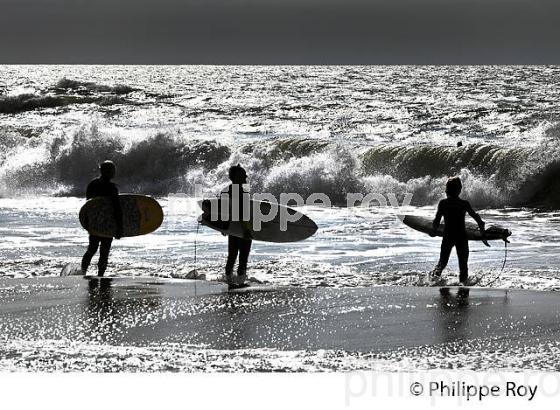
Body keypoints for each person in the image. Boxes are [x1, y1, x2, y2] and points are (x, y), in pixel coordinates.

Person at [430, 176, 485, 285]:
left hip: (448, 236)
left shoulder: (443, 203)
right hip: (461, 237)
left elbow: (437, 220)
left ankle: (432, 280)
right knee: (463, 264)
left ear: (447, 190)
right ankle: (463, 285)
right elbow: (476, 217)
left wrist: (433, 231)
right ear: (459, 190)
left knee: (442, 262)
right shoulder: (464, 204)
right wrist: (481, 227)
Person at [81, 160, 123, 276]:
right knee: (104, 252)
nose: (113, 172)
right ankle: (100, 276)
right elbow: (117, 209)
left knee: (92, 249)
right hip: (108, 224)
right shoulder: (112, 188)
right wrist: (119, 227)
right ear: (104, 171)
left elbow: (88, 205)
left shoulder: (92, 184)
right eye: (111, 170)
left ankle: (83, 272)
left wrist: (87, 222)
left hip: (94, 222)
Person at [223, 164, 252, 286]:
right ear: (237, 177)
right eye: (243, 174)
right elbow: (242, 213)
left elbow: (223, 211)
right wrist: (246, 229)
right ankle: (240, 281)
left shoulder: (227, 191)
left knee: (232, 255)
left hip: (232, 228)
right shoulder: (242, 193)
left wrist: (223, 227)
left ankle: (229, 279)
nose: (246, 176)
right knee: (243, 256)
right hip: (241, 228)